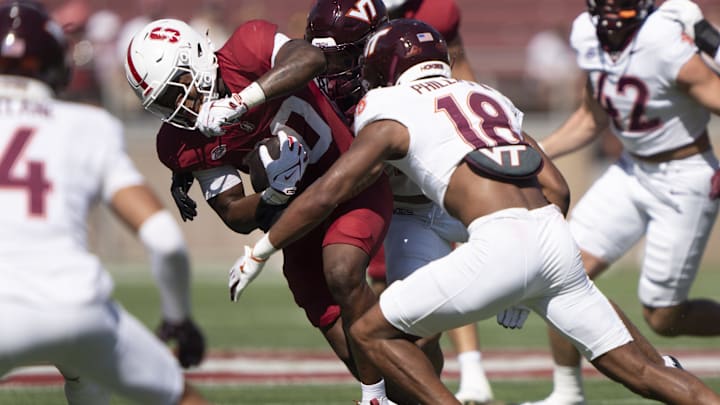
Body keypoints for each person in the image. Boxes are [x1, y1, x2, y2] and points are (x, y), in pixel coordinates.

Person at [224, 18, 720, 405]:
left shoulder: (392, 106)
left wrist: (261, 250)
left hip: (499, 243)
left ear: (386, 72)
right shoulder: (488, 97)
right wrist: (530, 277)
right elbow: (558, 187)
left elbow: (329, 192)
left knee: (371, 331)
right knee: (648, 372)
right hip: (552, 239)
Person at [124, 15, 395, 404]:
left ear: (197, 57)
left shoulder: (247, 46)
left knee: (341, 270)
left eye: (177, 88)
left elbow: (309, 60)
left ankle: (375, 398)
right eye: (164, 102)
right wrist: (274, 195)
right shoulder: (178, 141)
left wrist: (240, 102)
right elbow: (233, 212)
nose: (178, 107)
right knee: (349, 343)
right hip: (299, 223)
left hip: (351, 183)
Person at [0, 2, 208, 404]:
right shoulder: (87, 125)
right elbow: (164, 240)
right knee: (171, 393)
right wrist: (179, 319)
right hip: (75, 307)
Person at [525, 0, 720, 404]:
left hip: (684, 176)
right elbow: (591, 118)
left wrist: (710, 42)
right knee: (562, 269)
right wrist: (534, 153)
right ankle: (567, 392)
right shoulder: (585, 32)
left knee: (663, 317)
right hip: (631, 170)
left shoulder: (663, 38)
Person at [367, 1, 497, 403]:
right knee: (394, 300)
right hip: (389, 169)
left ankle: (471, 371)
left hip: (430, 167)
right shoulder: (350, 17)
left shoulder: (440, 11)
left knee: (420, 306)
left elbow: (463, 75)